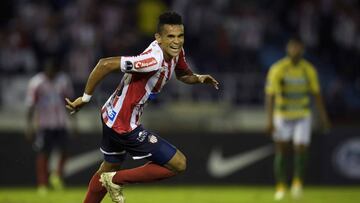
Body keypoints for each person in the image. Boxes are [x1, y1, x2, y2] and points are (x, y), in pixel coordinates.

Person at [65, 11, 219, 203]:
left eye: (180, 36)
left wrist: (198, 78)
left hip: (110, 116)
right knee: (179, 163)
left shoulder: (176, 51)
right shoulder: (153, 60)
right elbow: (104, 64)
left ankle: (107, 181)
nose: (176, 41)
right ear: (158, 38)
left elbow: (182, 74)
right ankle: (115, 180)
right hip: (124, 125)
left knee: (109, 166)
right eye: (170, 36)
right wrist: (85, 98)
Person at [265, 37, 331, 200]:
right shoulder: (278, 68)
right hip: (282, 114)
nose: (295, 50)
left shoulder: (308, 70)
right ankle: (280, 186)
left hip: (302, 114)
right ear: (288, 49)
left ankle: (297, 182)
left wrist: (323, 117)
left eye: (298, 47)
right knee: (281, 149)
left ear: (302, 50)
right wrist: (269, 120)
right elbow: (270, 95)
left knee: (301, 147)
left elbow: (317, 94)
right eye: (292, 47)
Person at [25, 58, 75, 195]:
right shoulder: (37, 83)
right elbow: (30, 105)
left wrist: (74, 122)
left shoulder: (63, 80)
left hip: (60, 123)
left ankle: (57, 175)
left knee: (65, 151)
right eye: (49, 71)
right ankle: (42, 184)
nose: (52, 74)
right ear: (45, 70)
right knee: (43, 154)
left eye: (54, 71)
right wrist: (29, 126)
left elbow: (70, 102)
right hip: (44, 124)